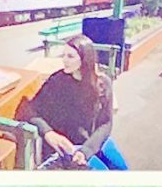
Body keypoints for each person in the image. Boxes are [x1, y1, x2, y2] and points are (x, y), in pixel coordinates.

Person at [17, 35, 126, 169]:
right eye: (63, 55)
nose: (64, 60)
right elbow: (30, 110)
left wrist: (87, 150)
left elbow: (106, 123)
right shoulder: (57, 81)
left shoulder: (102, 83)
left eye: (70, 56)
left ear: (85, 59)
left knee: (122, 169)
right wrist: (48, 132)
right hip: (70, 146)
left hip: (94, 141)